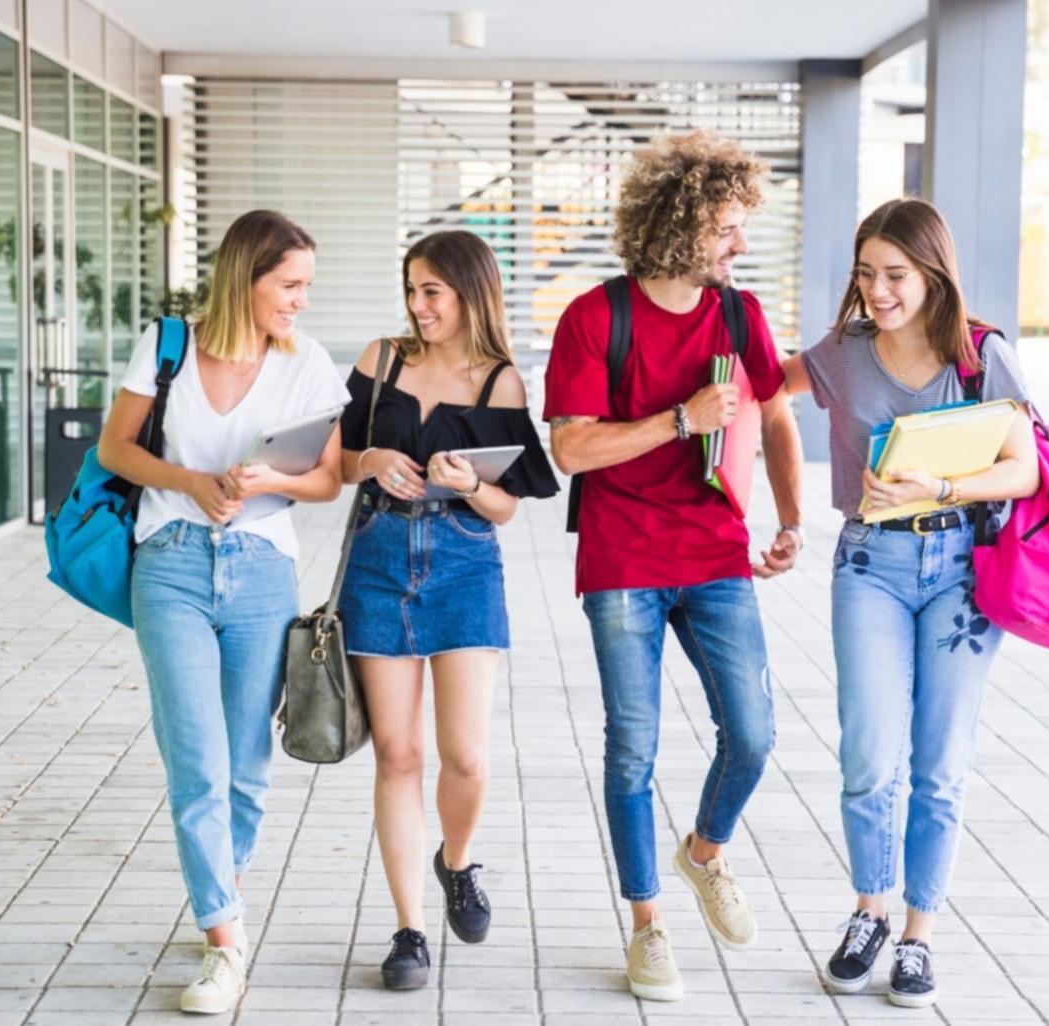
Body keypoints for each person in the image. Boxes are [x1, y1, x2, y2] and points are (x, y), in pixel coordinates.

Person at [542, 130, 804, 1002]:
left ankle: (704, 854)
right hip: (622, 559)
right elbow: (571, 451)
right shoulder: (594, 317)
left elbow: (771, 418)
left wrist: (792, 519)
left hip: (715, 552)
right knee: (632, 751)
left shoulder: (739, 315)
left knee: (755, 734)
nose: (738, 243)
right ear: (678, 224)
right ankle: (647, 926)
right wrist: (678, 420)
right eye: (726, 226)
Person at [780, 197, 1039, 1008]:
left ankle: (919, 937)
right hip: (870, 564)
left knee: (938, 763)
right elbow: (755, 384)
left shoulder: (979, 354)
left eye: (894, 274)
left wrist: (944, 485)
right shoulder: (843, 352)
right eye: (865, 274)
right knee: (868, 753)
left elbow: (1023, 468)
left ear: (932, 273)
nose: (878, 290)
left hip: (961, 569)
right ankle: (869, 911)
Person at [97, 209, 350, 1013]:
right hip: (168, 565)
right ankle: (224, 941)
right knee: (197, 761)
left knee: (245, 766)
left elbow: (327, 479)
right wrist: (190, 481)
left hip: (261, 572)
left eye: (307, 285)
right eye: (290, 285)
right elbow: (114, 450)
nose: (302, 301)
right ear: (247, 278)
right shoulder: (168, 343)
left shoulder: (306, 362)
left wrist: (268, 481)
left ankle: (220, 897)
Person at [338, 230, 557, 991]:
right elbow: (333, 460)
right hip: (376, 559)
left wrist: (466, 483)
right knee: (397, 755)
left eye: (432, 291)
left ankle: (455, 862)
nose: (417, 305)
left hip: (463, 566)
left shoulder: (500, 383)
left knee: (466, 756)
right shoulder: (381, 360)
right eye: (411, 289)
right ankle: (408, 930)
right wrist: (366, 461)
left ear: (469, 292)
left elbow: (505, 508)